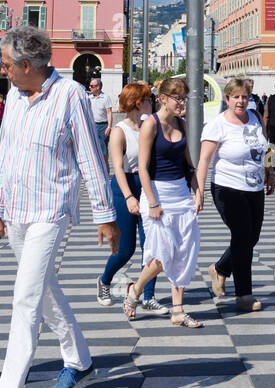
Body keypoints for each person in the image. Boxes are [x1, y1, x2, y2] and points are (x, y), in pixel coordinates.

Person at [0, 26, 119, 388]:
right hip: (18, 210)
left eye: (6, 64)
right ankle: (79, 361)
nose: (2, 70)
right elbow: (4, 154)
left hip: (50, 211)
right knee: (43, 288)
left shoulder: (70, 96)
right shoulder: (16, 99)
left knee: (25, 297)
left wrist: (104, 215)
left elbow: (91, 158)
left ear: (27, 65)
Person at [123, 76, 203, 328]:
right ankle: (135, 290)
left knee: (183, 252)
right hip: (156, 192)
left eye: (185, 98)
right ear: (163, 99)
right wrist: (153, 202)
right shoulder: (151, 125)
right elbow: (143, 169)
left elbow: (188, 163)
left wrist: (198, 190)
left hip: (180, 193)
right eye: (178, 98)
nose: (182, 103)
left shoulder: (181, 122)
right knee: (161, 255)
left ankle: (178, 310)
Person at [197, 77, 275, 312]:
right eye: (236, 97)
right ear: (228, 99)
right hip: (227, 188)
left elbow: (267, 147)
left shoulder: (255, 117)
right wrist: (198, 192)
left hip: (255, 187)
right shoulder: (217, 125)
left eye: (245, 97)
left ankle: (220, 269)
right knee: (242, 237)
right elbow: (204, 160)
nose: (241, 101)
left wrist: (270, 173)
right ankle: (243, 295)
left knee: (251, 238)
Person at [95, 83, 168, 316]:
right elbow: (116, 166)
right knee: (125, 250)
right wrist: (128, 196)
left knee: (152, 246)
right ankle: (105, 281)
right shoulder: (120, 130)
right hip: (124, 186)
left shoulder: (150, 125)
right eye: (149, 98)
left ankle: (148, 297)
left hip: (147, 185)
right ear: (139, 102)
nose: (153, 101)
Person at [87, 75, 113, 163]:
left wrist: (109, 126)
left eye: (92, 86)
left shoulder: (105, 97)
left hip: (103, 126)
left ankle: (105, 167)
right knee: (92, 147)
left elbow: (109, 112)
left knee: (103, 148)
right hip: (92, 125)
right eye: (90, 86)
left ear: (98, 87)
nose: (89, 87)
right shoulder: (89, 98)